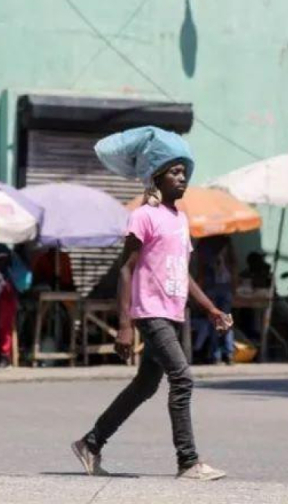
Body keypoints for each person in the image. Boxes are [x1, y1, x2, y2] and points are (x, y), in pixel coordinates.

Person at [72, 128, 231, 482]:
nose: (182, 177)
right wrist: (125, 325)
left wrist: (211, 309)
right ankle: (188, 461)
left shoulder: (180, 220)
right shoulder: (143, 216)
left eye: (184, 171)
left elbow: (183, 274)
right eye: (175, 171)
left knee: (145, 386)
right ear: (156, 177)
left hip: (173, 314)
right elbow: (125, 270)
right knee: (183, 378)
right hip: (150, 313)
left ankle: (91, 443)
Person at [193, 237, 237, 365]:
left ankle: (219, 354)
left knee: (216, 320)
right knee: (224, 319)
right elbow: (233, 263)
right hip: (219, 286)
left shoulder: (205, 243)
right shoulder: (225, 241)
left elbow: (200, 266)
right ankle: (226, 354)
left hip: (214, 286)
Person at [0, 244, 21, 370]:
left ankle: (5, 358)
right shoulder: (6, 272)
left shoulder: (0, 273)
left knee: (4, 328)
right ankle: (3, 356)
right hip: (5, 301)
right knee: (3, 328)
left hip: (6, 301)